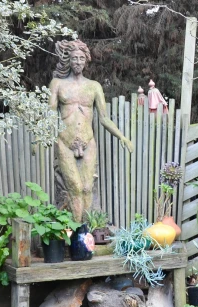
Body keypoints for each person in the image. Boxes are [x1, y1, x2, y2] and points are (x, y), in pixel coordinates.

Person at [48, 39, 133, 221]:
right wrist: (38, 139)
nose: (77, 62)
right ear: (68, 61)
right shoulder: (57, 84)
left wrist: (123, 138)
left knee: (87, 188)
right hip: (65, 142)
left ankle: (85, 233)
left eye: (81, 58)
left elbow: (104, 118)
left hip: (88, 143)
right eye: (74, 58)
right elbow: (50, 114)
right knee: (75, 188)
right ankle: (74, 231)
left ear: (86, 60)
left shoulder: (94, 86)